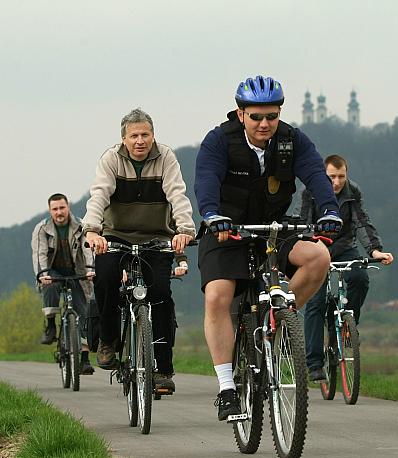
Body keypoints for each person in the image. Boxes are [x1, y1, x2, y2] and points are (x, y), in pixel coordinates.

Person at [195, 75, 342, 421]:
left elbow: (317, 177)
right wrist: (212, 214)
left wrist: (330, 211)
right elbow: (206, 180)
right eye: (257, 116)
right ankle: (228, 387)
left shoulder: (292, 140)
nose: (265, 124)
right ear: (240, 113)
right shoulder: (219, 141)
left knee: (318, 256)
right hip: (226, 230)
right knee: (218, 295)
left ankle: (278, 322)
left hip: (274, 228)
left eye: (272, 116)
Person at [82, 108, 195, 394]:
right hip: (115, 235)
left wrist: (184, 230)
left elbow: (177, 195)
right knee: (105, 278)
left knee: (160, 296)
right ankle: (108, 340)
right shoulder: (111, 159)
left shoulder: (166, 157)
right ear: (124, 139)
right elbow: (99, 195)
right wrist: (92, 231)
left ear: (153, 136)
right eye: (134, 136)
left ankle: (164, 369)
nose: (140, 141)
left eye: (145, 134)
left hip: (157, 237)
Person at [300, 154, 394, 381]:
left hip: (344, 247)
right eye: (332, 176)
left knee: (360, 279)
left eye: (341, 176)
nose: (337, 182)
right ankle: (314, 363)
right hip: (316, 249)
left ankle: (346, 328)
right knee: (315, 302)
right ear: (324, 175)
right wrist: (307, 249)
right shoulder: (310, 191)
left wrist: (374, 250)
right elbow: (304, 224)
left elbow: (361, 221)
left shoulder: (353, 192)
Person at [31, 193, 96, 374]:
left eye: (62, 208)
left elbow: (88, 248)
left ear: (68, 207)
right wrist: (42, 274)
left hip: (78, 272)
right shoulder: (42, 229)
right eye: (55, 209)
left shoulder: (81, 226)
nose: (59, 212)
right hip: (53, 271)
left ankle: (84, 359)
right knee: (49, 287)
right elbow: (40, 254)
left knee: (84, 312)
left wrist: (91, 268)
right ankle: (50, 324)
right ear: (50, 211)